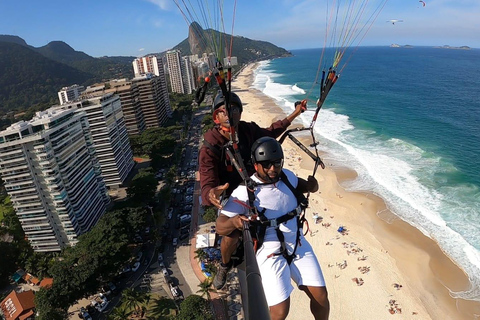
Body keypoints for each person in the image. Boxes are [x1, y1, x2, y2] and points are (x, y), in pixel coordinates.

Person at [199, 91, 305, 289]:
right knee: (232, 233)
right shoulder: (211, 145)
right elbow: (207, 178)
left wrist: (294, 115)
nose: (230, 114)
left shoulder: (247, 130)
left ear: (240, 112)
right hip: (231, 195)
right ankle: (224, 265)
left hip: (256, 186)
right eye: (224, 111)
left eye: (234, 109)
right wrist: (211, 193)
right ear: (216, 116)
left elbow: (270, 133)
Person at [217, 137, 330, 320]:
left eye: (276, 163)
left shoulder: (287, 177)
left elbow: (306, 186)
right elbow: (220, 226)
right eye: (266, 164)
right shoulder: (245, 192)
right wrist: (235, 222)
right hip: (269, 250)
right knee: (279, 311)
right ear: (256, 165)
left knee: (321, 298)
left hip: (298, 243)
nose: (272, 169)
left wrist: (313, 185)